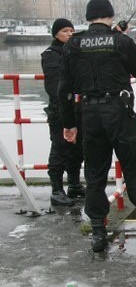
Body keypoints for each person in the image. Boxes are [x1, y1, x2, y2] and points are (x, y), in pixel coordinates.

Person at [60, 0, 136, 253]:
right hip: (118, 113)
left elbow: (63, 88)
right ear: (110, 16)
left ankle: (98, 233)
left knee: (95, 174)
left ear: (88, 17)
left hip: (89, 114)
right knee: (134, 170)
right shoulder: (120, 41)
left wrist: (69, 124)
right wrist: (121, 41)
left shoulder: (74, 43)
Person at [42, 18, 84, 207]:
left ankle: (74, 185)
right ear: (56, 33)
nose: (70, 34)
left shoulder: (74, 53)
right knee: (59, 149)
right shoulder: (51, 55)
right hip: (60, 111)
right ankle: (56, 190)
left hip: (77, 109)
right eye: (66, 31)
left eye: (72, 31)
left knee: (78, 149)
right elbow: (54, 86)